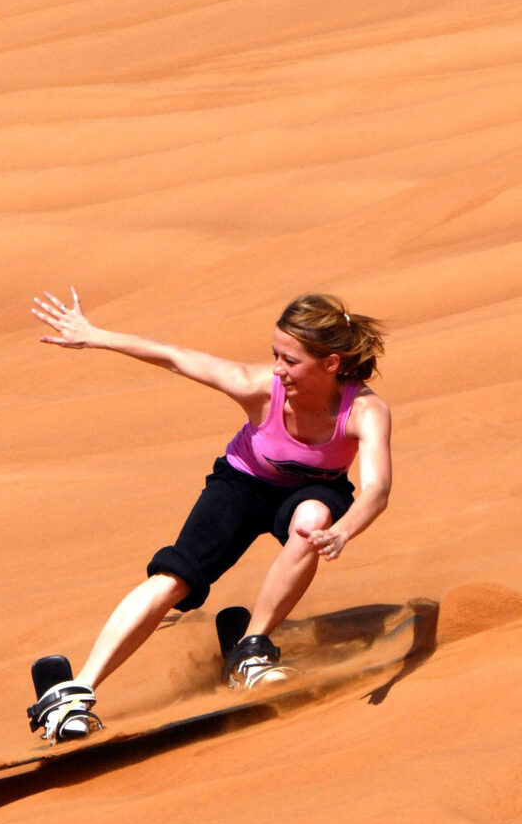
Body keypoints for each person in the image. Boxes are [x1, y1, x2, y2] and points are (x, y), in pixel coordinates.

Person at [27, 288, 392, 742]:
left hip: (316, 488)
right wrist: (95, 335)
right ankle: (75, 690)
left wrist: (344, 531)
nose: (278, 369)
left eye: (291, 361)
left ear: (332, 363)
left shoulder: (365, 411)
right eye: (275, 355)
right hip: (241, 484)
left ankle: (251, 649)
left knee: (312, 521)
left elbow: (376, 489)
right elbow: (175, 357)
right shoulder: (258, 388)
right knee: (176, 575)